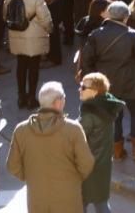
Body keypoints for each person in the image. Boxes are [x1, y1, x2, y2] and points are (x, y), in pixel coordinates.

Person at [7, 81, 96, 212]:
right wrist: (73, 179)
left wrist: (32, 177)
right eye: (64, 98)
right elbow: (87, 163)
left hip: (37, 200)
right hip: (68, 199)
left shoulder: (21, 130)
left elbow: (12, 166)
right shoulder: (73, 129)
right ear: (58, 102)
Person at [79, 0, 135, 160]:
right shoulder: (132, 34)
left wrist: (95, 79)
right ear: (126, 17)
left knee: (114, 115)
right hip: (131, 80)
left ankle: (117, 150)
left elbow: (86, 60)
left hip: (107, 82)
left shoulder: (96, 34)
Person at [4, 0, 53, 110]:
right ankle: (32, 97)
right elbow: (45, 18)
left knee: (21, 65)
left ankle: (21, 96)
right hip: (34, 36)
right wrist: (50, 29)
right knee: (33, 68)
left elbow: (4, 15)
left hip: (16, 34)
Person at [80, 71, 125, 213]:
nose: (79, 89)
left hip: (88, 167)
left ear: (95, 92)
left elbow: (77, 135)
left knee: (80, 204)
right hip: (103, 165)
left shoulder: (90, 113)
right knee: (101, 203)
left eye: (83, 87)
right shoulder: (105, 107)